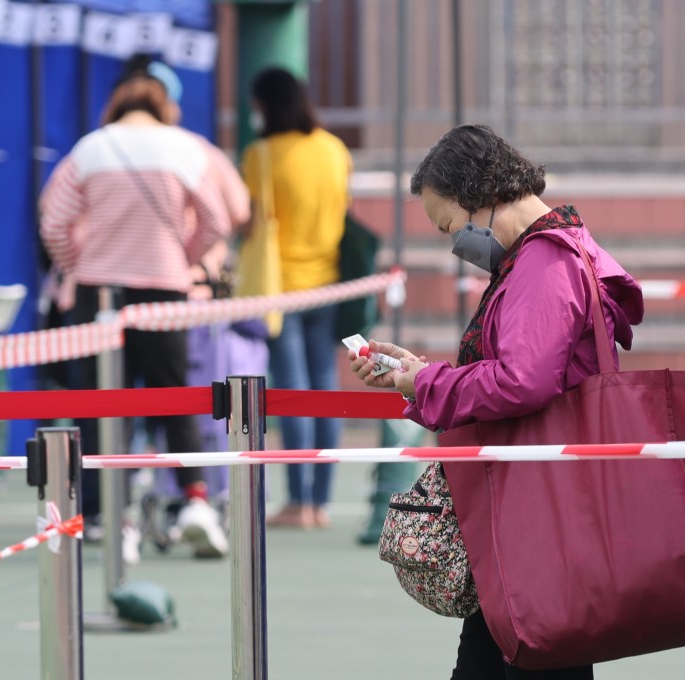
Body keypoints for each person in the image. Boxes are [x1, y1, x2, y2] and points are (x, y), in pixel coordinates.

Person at [349, 124, 643, 679]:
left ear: (478, 196)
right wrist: (416, 377)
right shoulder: (552, 253)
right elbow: (518, 377)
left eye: (450, 226)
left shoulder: (543, 263)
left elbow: (521, 382)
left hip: (536, 515)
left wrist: (426, 381)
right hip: (536, 509)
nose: (453, 242)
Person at [39, 72, 232, 558]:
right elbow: (217, 220)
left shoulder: (90, 149)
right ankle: (196, 502)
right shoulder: (186, 149)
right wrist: (180, 258)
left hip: (99, 294)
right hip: (166, 291)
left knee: (102, 405)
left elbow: (54, 221)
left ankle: (109, 518)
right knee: (176, 399)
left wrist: (76, 263)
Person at [242, 67, 352, 530]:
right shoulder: (333, 148)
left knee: (291, 392)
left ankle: (298, 501)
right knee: (324, 385)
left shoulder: (261, 155)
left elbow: (252, 222)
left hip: (280, 287)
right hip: (329, 280)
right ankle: (321, 503)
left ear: (264, 105)